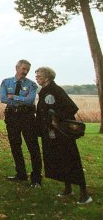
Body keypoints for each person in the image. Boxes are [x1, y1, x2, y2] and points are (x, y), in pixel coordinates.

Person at [35, 66, 93, 205]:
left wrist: (57, 119)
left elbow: (71, 108)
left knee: (71, 160)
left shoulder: (56, 90)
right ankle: (68, 189)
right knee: (60, 160)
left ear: (47, 77)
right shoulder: (44, 91)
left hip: (62, 133)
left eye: (39, 76)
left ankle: (85, 195)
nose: (36, 78)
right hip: (51, 133)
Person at [0, 59, 42, 187]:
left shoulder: (32, 85)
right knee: (15, 145)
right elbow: (3, 98)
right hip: (12, 116)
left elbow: (30, 101)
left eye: (27, 70)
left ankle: (36, 179)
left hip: (27, 116)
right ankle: (21, 174)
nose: (25, 72)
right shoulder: (6, 82)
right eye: (23, 69)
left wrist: (14, 97)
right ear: (17, 68)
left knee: (33, 146)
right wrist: (20, 100)